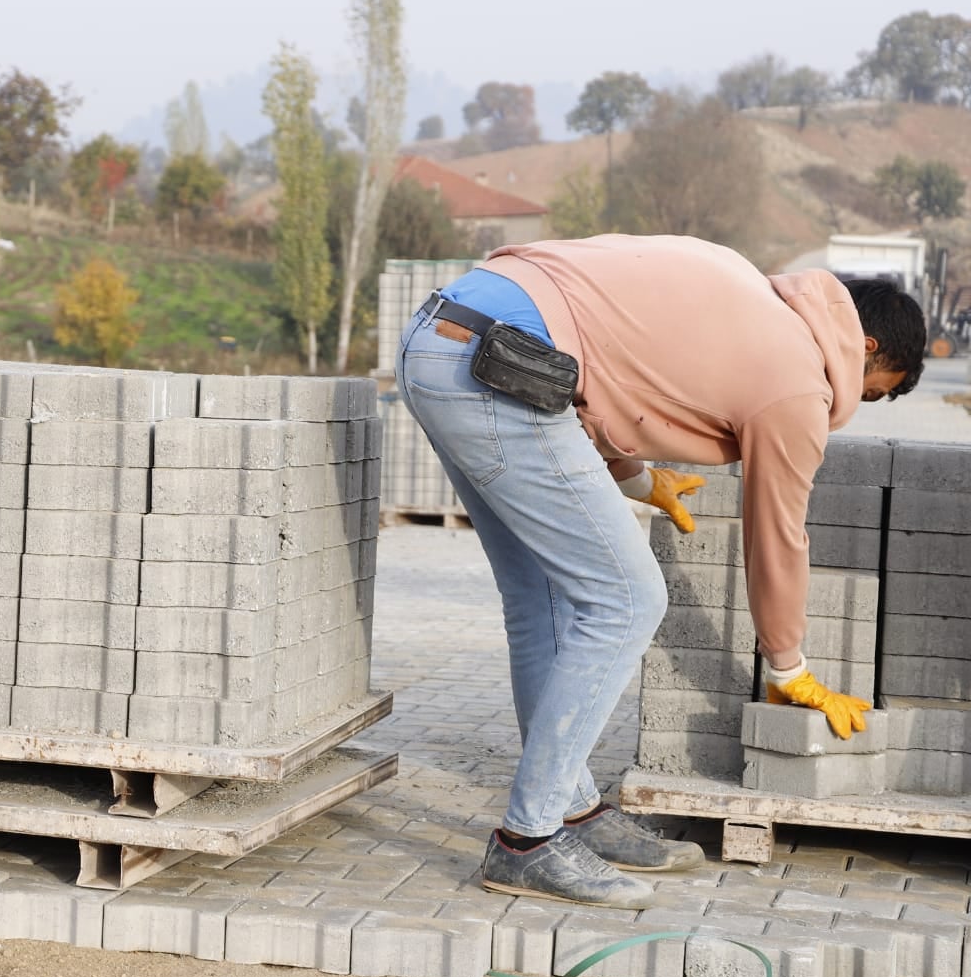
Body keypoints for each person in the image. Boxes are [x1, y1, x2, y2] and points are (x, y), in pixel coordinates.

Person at [395, 233, 925, 909]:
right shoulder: (798, 378)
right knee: (628, 598)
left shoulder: (751, 295)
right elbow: (779, 532)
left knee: (542, 596)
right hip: (499, 362)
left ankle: (573, 809)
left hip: (446, 341)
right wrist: (790, 669)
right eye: (879, 393)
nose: (862, 403)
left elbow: (603, 373)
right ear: (869, 349)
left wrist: (642, 482)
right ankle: (525, 842)